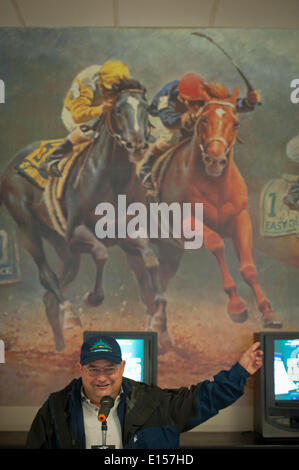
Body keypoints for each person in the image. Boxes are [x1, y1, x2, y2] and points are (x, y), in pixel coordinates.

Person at [26, 334, 263, 449]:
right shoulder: (56, 409)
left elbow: (203, 399)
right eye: (92, 369)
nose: (101, 378)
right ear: (80, 369)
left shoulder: (154, 403)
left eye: (109, 369)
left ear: (122, 368)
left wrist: (239, 372)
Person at [139, 72, 261, 190]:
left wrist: (248, 102)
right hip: (157, 120)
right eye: (192, 103)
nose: (197, 107)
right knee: (171, 136)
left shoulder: (206, 92)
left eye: (200, 102)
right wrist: (184, 117)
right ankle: (147, 167)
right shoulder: (167, 94)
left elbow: (225, 105)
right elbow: (166, 118)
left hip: (185, 120)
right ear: (181, 98)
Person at [41, 60, 130, 177]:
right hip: (75, 112)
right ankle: (53, 157)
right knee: (88, 131)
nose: (109, 92)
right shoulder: (86, 81)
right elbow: (78, 115)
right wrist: (101, 109)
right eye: (107, 88)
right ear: (100, 81)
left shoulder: (122, 78)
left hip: (102, 111)